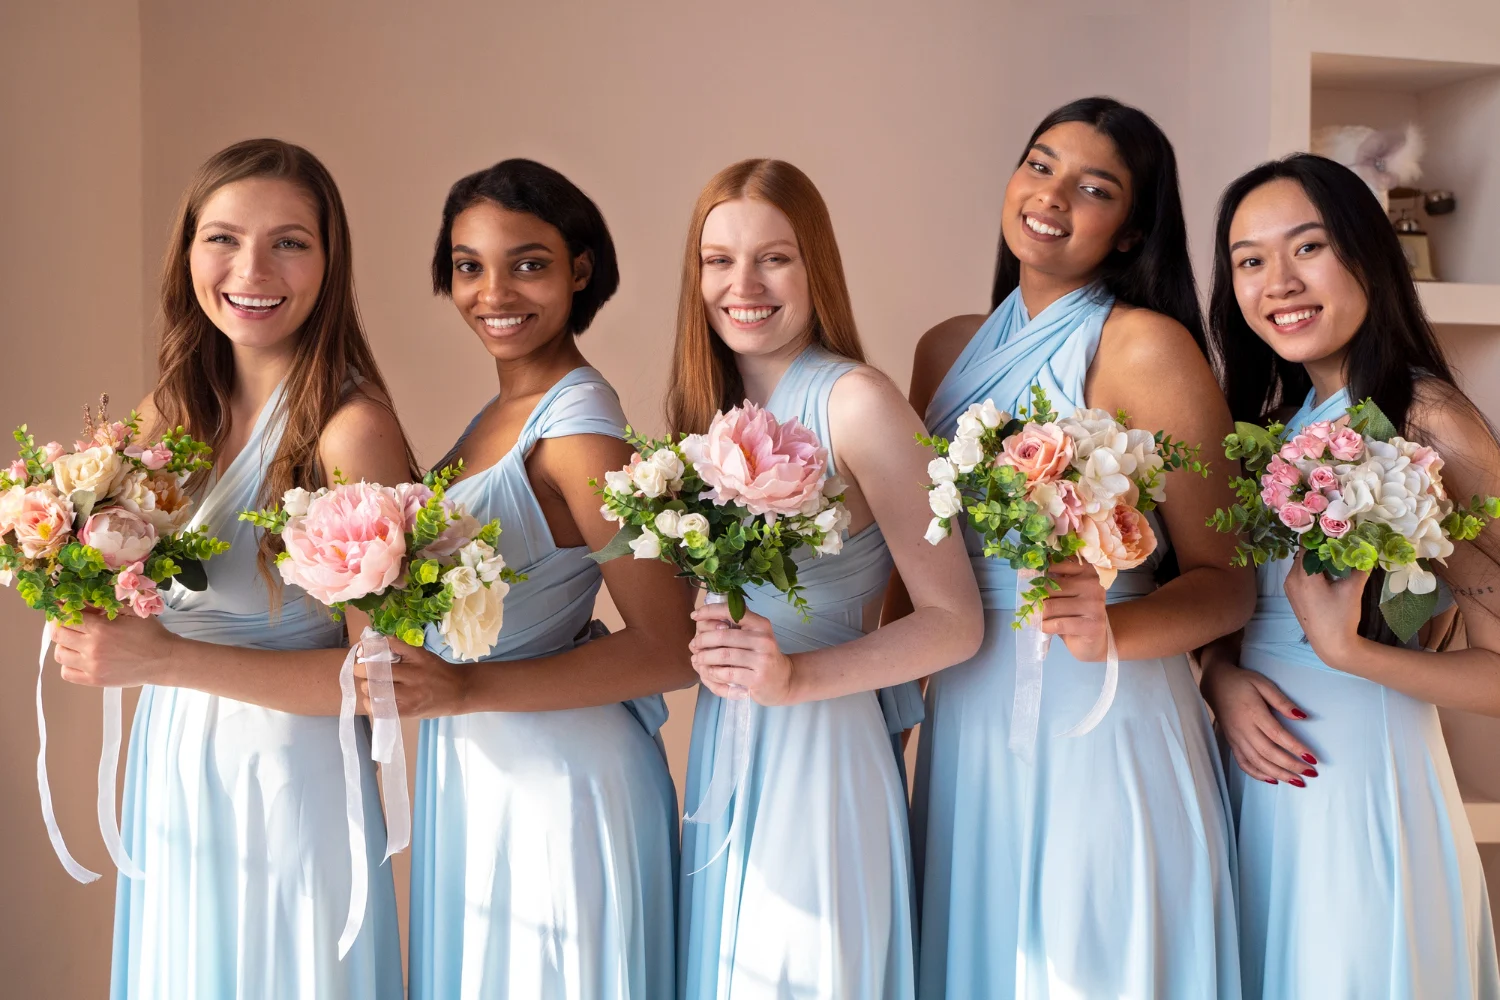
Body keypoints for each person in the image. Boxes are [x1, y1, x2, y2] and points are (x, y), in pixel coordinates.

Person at [900, 97, 1253, 999]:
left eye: (1093, 187)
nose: (1051, 195)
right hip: (970, 706)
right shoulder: (942, 350)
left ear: (1131, 230)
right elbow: (915, 557)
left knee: (1091, 957)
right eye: (1039, 163)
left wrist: (1111, 632)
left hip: (1101, 704)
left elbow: (1226, 585)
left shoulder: (1144, 347)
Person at [54, 138, 411, 999]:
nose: (253, 267)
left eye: (290, 241)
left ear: (329, 263)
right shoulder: (172, 410)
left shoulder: (348, 430)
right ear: (188, 253)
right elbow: (124, 591)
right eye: (223, 238)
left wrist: (164, 661)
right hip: (176, 770)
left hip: (288, 785)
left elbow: (388, 681)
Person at [673, 157, 983, 1000]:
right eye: (719, 259)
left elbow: (955, 619)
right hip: (728, 740)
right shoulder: (706, 412)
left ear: (816, 267)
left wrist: (794, 676)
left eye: (774, 256)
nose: (744, 283)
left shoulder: (859, 403)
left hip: (822, 742)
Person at [1202, 152, 1500, 998]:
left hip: (1360, 793)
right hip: (1260, 795)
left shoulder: (1429, 419)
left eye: (1309, 248)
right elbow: (1246, 616)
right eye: (1251, 260)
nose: (1280, 282)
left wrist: (1351, 652)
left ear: (1368, 256)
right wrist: (1220, 675)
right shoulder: (1272, 424)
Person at [393, 158, 693, 1000]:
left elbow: (673, 648)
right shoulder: (500, 415)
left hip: (558, 786)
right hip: (484, 770)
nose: (496, 292)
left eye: (528, 263)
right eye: (469, 265)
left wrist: (463, 689)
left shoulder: (578, 436)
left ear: (580, 270)